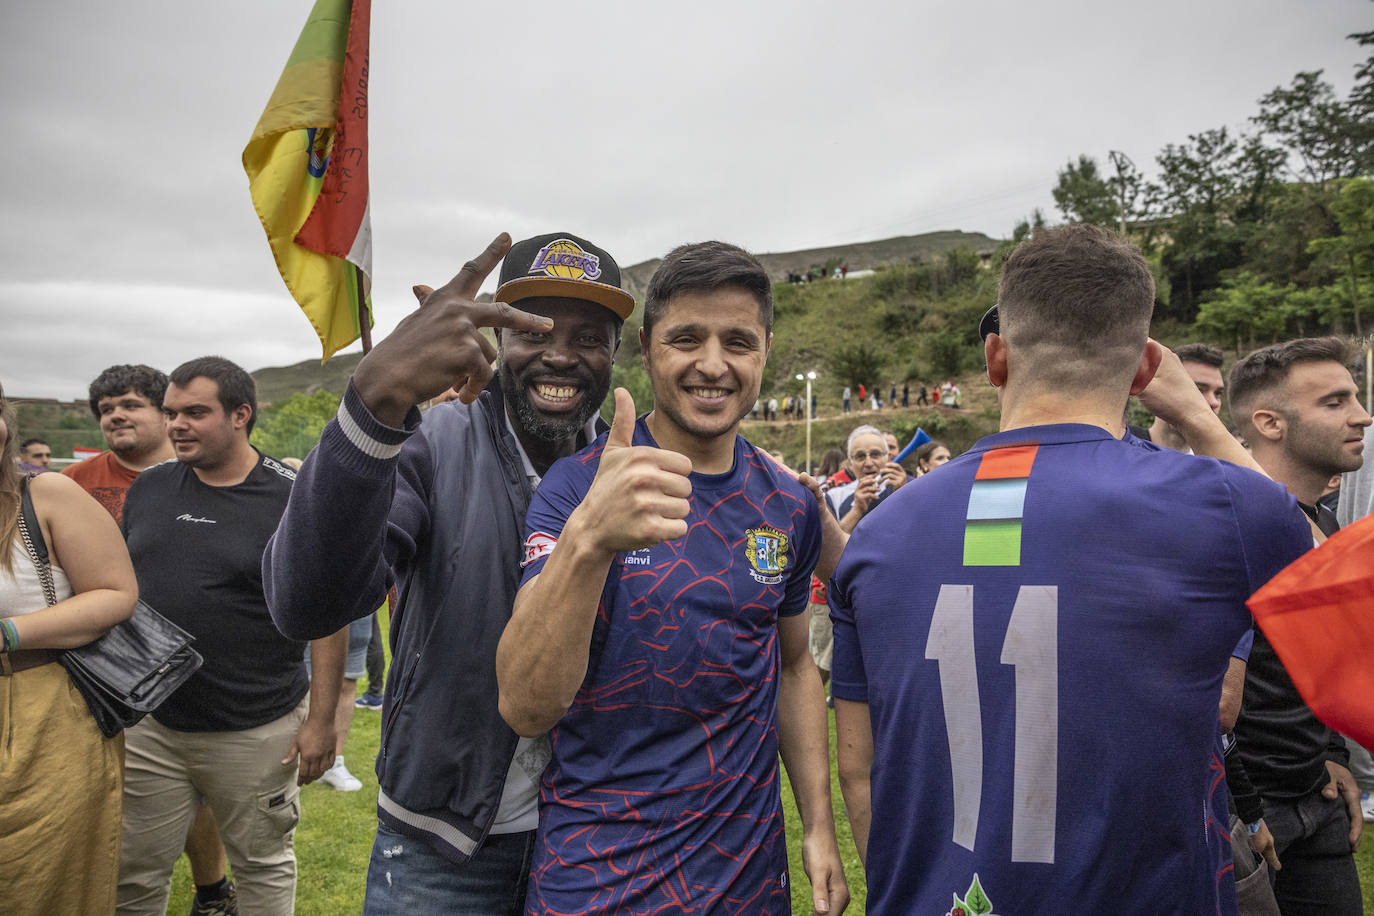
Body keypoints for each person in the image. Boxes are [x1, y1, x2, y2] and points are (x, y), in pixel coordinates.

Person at [829, 225, 1313, 914]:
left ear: (996, 357)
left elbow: (860, 769)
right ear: (1146, 370)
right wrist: (1202, 425)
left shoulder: (879, 534)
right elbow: (1328, 582)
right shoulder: (1224, 507)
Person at [264, 232, 629, 913]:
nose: (559, 355)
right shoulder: (433, 441)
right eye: (534, 330)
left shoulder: (626, 467)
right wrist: (375, 402)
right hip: (444, 840)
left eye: (589, 337)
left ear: (615, 355)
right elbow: (308, 605)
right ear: (496, 336)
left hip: (589, 833)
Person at [496, 240, 848, 914]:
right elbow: (525, 706)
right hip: (598, 879)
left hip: (746, 878)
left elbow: (797, 664)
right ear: (650, 347)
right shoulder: (576, 490)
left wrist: (820, 828)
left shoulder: (789, 502)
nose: (713, 365)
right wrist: (590, 539)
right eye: (687, 338)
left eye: (737, 341)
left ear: (766, 350)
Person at [116, 357, 347, 916]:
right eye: (171, 412)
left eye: (195, 412)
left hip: (256, 727)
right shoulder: (149, 488)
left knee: (264, 868)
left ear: (241, 414)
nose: (176, 425)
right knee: (131, 871)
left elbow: (329, 615)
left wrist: (320, 721)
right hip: (152, 725)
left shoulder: (294, 497)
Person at [63, 363, 236, 914]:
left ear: (164, 415)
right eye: (105, 409)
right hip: (99, 663)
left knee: (196, 793)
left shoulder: (202, 474)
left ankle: (212, 887)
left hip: (194, 664)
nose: (115, 415)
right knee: (115, 798)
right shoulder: (72, 485)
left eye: (130, 404)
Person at [1226, 336, 1370, 913]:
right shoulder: (1227, 530)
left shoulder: (1327, 522)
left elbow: (1325, 658)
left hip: (1319, 794)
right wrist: (1243, 805)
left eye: (1355, 397)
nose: (1361, 415)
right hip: (1250, 815)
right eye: (1334, 402)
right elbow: (1208, 684)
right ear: (1270, 422)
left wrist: (1332, 751)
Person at [0, 381, 138, 915]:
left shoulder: (45, 494)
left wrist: (10, 632)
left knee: (41, 876)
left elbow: (116, 593)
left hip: (39, 707)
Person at [1138, 342, 1227, 450]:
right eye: (1198, 390)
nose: (1214, 402)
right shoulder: (1121, 446)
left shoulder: (1217, 464)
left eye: (1218, 393)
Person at [826, 424, 907, 533]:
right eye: (860, 456)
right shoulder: (835, 496)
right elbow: (831, 546)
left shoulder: (904, 485)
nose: (868, 463)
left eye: (875, 454)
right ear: (850, 462)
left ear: (887, 457)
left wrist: (904, 495)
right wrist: (857, 510)